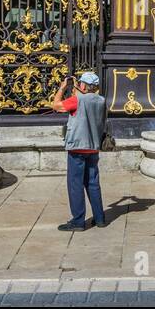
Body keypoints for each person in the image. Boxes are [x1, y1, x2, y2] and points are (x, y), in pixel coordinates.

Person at [51, 71, 107, 231]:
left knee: (75, 184)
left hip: (77, 147)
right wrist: (77, 87)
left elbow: (56, 106)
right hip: (93, 147)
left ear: (83, 85)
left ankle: (78, 220)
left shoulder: (77, 100)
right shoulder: (101, 100)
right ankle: (100, 218)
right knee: (93, 183)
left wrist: (62, 88)